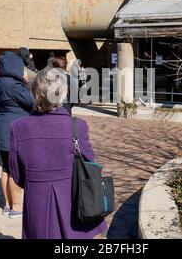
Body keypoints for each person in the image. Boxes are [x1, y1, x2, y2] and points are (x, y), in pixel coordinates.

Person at [9, 68, 108, 239]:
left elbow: (17, 176)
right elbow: (90, 163)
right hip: (74, 201)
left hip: (37, 200)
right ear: (63, 94)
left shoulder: (18, 127)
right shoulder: (78, 126)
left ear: (34, 93)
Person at [0, 52, 34, 218]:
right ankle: (16, 207)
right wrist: (26, 84)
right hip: (15, 131)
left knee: (6, 168)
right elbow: (32, 104)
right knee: (16, 170)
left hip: (0, 129)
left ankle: (7, 205)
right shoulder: (15, 86)